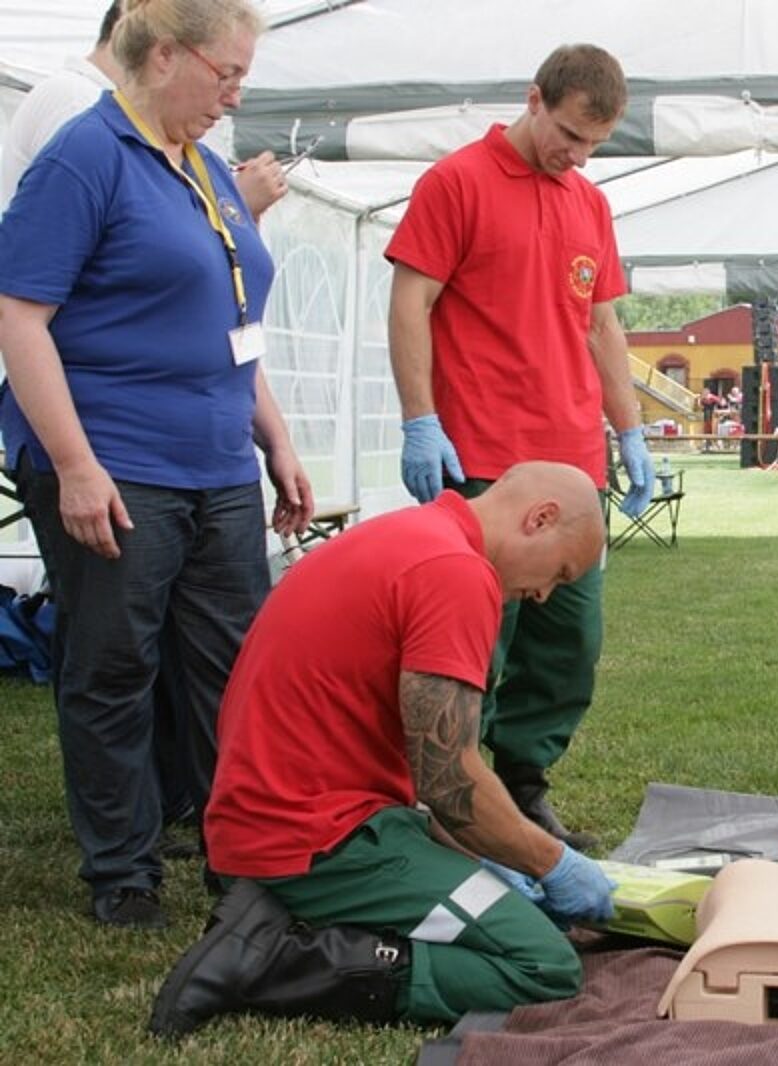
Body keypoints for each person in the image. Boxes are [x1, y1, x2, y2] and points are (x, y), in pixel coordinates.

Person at [0, 0, 312, 931]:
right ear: (166, 54)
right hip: (117, 459)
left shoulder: (205, 169)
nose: (236, 94)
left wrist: (275, 438)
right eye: (227, 73)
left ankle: (235, 854)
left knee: (231, 666)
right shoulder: (87, 155)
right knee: (113, 666)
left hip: (216, 461)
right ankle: (123, 871)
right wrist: (75, 465)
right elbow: (19, 316)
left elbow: (233, 322)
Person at [148, 462, 618, 1036]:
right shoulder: (457, 573)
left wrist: (496, 855)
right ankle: (279, 962)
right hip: (316, 841)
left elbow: (427, 780)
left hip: (284, 822)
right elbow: (448, 781)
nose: (544, 594)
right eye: (559, 573)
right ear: (540, 518)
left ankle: (282, 915)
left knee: (498, 898)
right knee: (544, 963)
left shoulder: (407, 535)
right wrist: (552, 862)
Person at [386, 43, 652, 852]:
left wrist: (629, 429)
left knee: (570, 641)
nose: (579, 155)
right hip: (483, 460)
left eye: (595, 143)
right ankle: (457, 796)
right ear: (534, 100)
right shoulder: (455, 182)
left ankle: (525, 784)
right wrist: (419, 418)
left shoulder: (589, 204)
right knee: (473, 641)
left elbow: (602, 325)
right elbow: (410, 302)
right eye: (570, 134)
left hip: (573, 464)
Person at [0, 4, 289, 219]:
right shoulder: (78, 105)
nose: (233, 99)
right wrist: (235, 207)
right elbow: (134, 241)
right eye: (224, 75)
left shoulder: (120, 120)